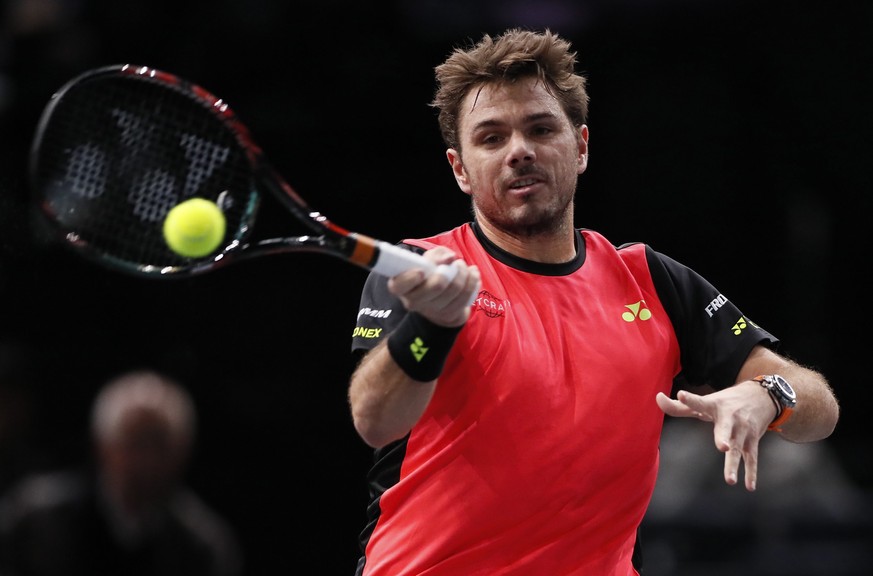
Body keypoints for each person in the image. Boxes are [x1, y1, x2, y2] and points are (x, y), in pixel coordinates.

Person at [347, 28, 840, 575]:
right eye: (491, 138)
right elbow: (376, 421)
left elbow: (819, 407)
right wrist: (432, 324)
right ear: (460, 169)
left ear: (580, 146)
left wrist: (769, 394)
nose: (519, 152)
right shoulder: (423, 271)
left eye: (540, 129)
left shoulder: (650, 281)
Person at [0, 369, 243, 576]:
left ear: (183, 451)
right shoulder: (34, 523)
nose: (147, 460)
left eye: (160, 443)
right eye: (135, 442)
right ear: (102, 445)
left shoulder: (201, 544)